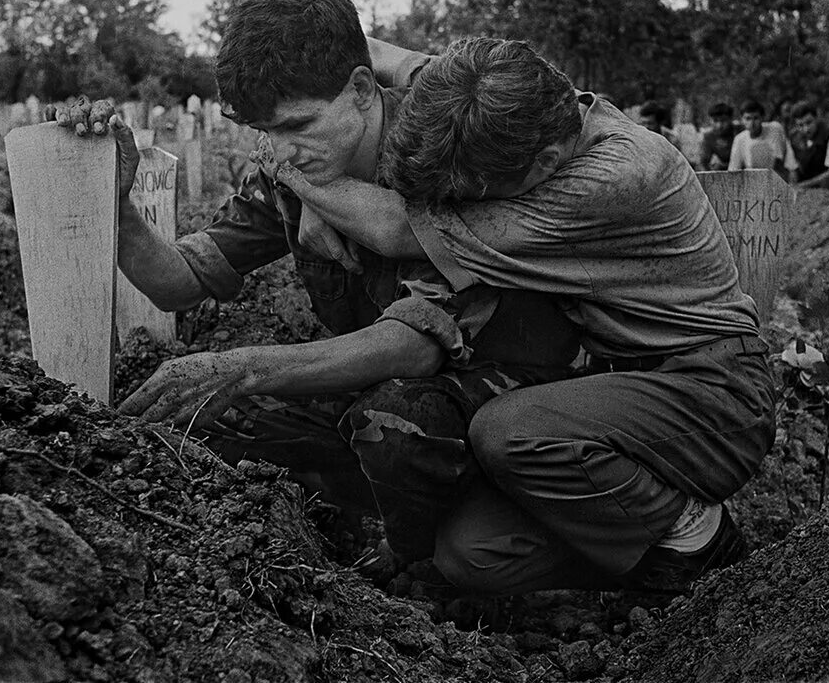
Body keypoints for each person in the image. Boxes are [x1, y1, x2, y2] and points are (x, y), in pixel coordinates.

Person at [51, 0, 580, 566]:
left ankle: (428, 567)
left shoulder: (446, 146)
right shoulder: (291, 164)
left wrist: (243, 367)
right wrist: (118, 202)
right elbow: (178, 280)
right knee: (203, 416)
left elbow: (415, 348)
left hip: (508, 390)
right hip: (375, 377)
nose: (281, 151)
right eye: (264, 131)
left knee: (395, 423)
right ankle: (344, 523)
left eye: (297, 125)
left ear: (359, 89)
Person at [272, 37, 775, 596]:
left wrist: (294, 175)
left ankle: (693, 534)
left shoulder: (611, 179)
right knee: (474, 558)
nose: (460, 202)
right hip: (617, 385)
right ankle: (632, 551)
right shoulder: (503, 97)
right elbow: (360, 50)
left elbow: (394, 229)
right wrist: (287, 115)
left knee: (507, 432)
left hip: (712, 395)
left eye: (472, 196)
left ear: (545, 164)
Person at [786, 100, 829, 190]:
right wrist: (792, 187)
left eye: (809, 123)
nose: (806, 129)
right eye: (800, 125)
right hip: (807, 188)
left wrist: (803, 185)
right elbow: (793, 169)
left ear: (816, 118)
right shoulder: (794, 139)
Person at [728, 99, 789, 174]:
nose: (752, 123)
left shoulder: (774, 129)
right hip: (754, 178)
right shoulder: (739, 139)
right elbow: (733, 170)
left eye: (756, 118)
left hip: (776, 175)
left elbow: (779, 161)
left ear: (762, 117)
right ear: (742, 119)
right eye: (748, 118)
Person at [698, 102, 738, 171]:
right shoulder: (708, 137)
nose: (719, 125)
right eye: (715, 121)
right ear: (710, 120)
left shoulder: (739, 133)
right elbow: (703, 163)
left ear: (731, 119)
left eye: (723, 121)